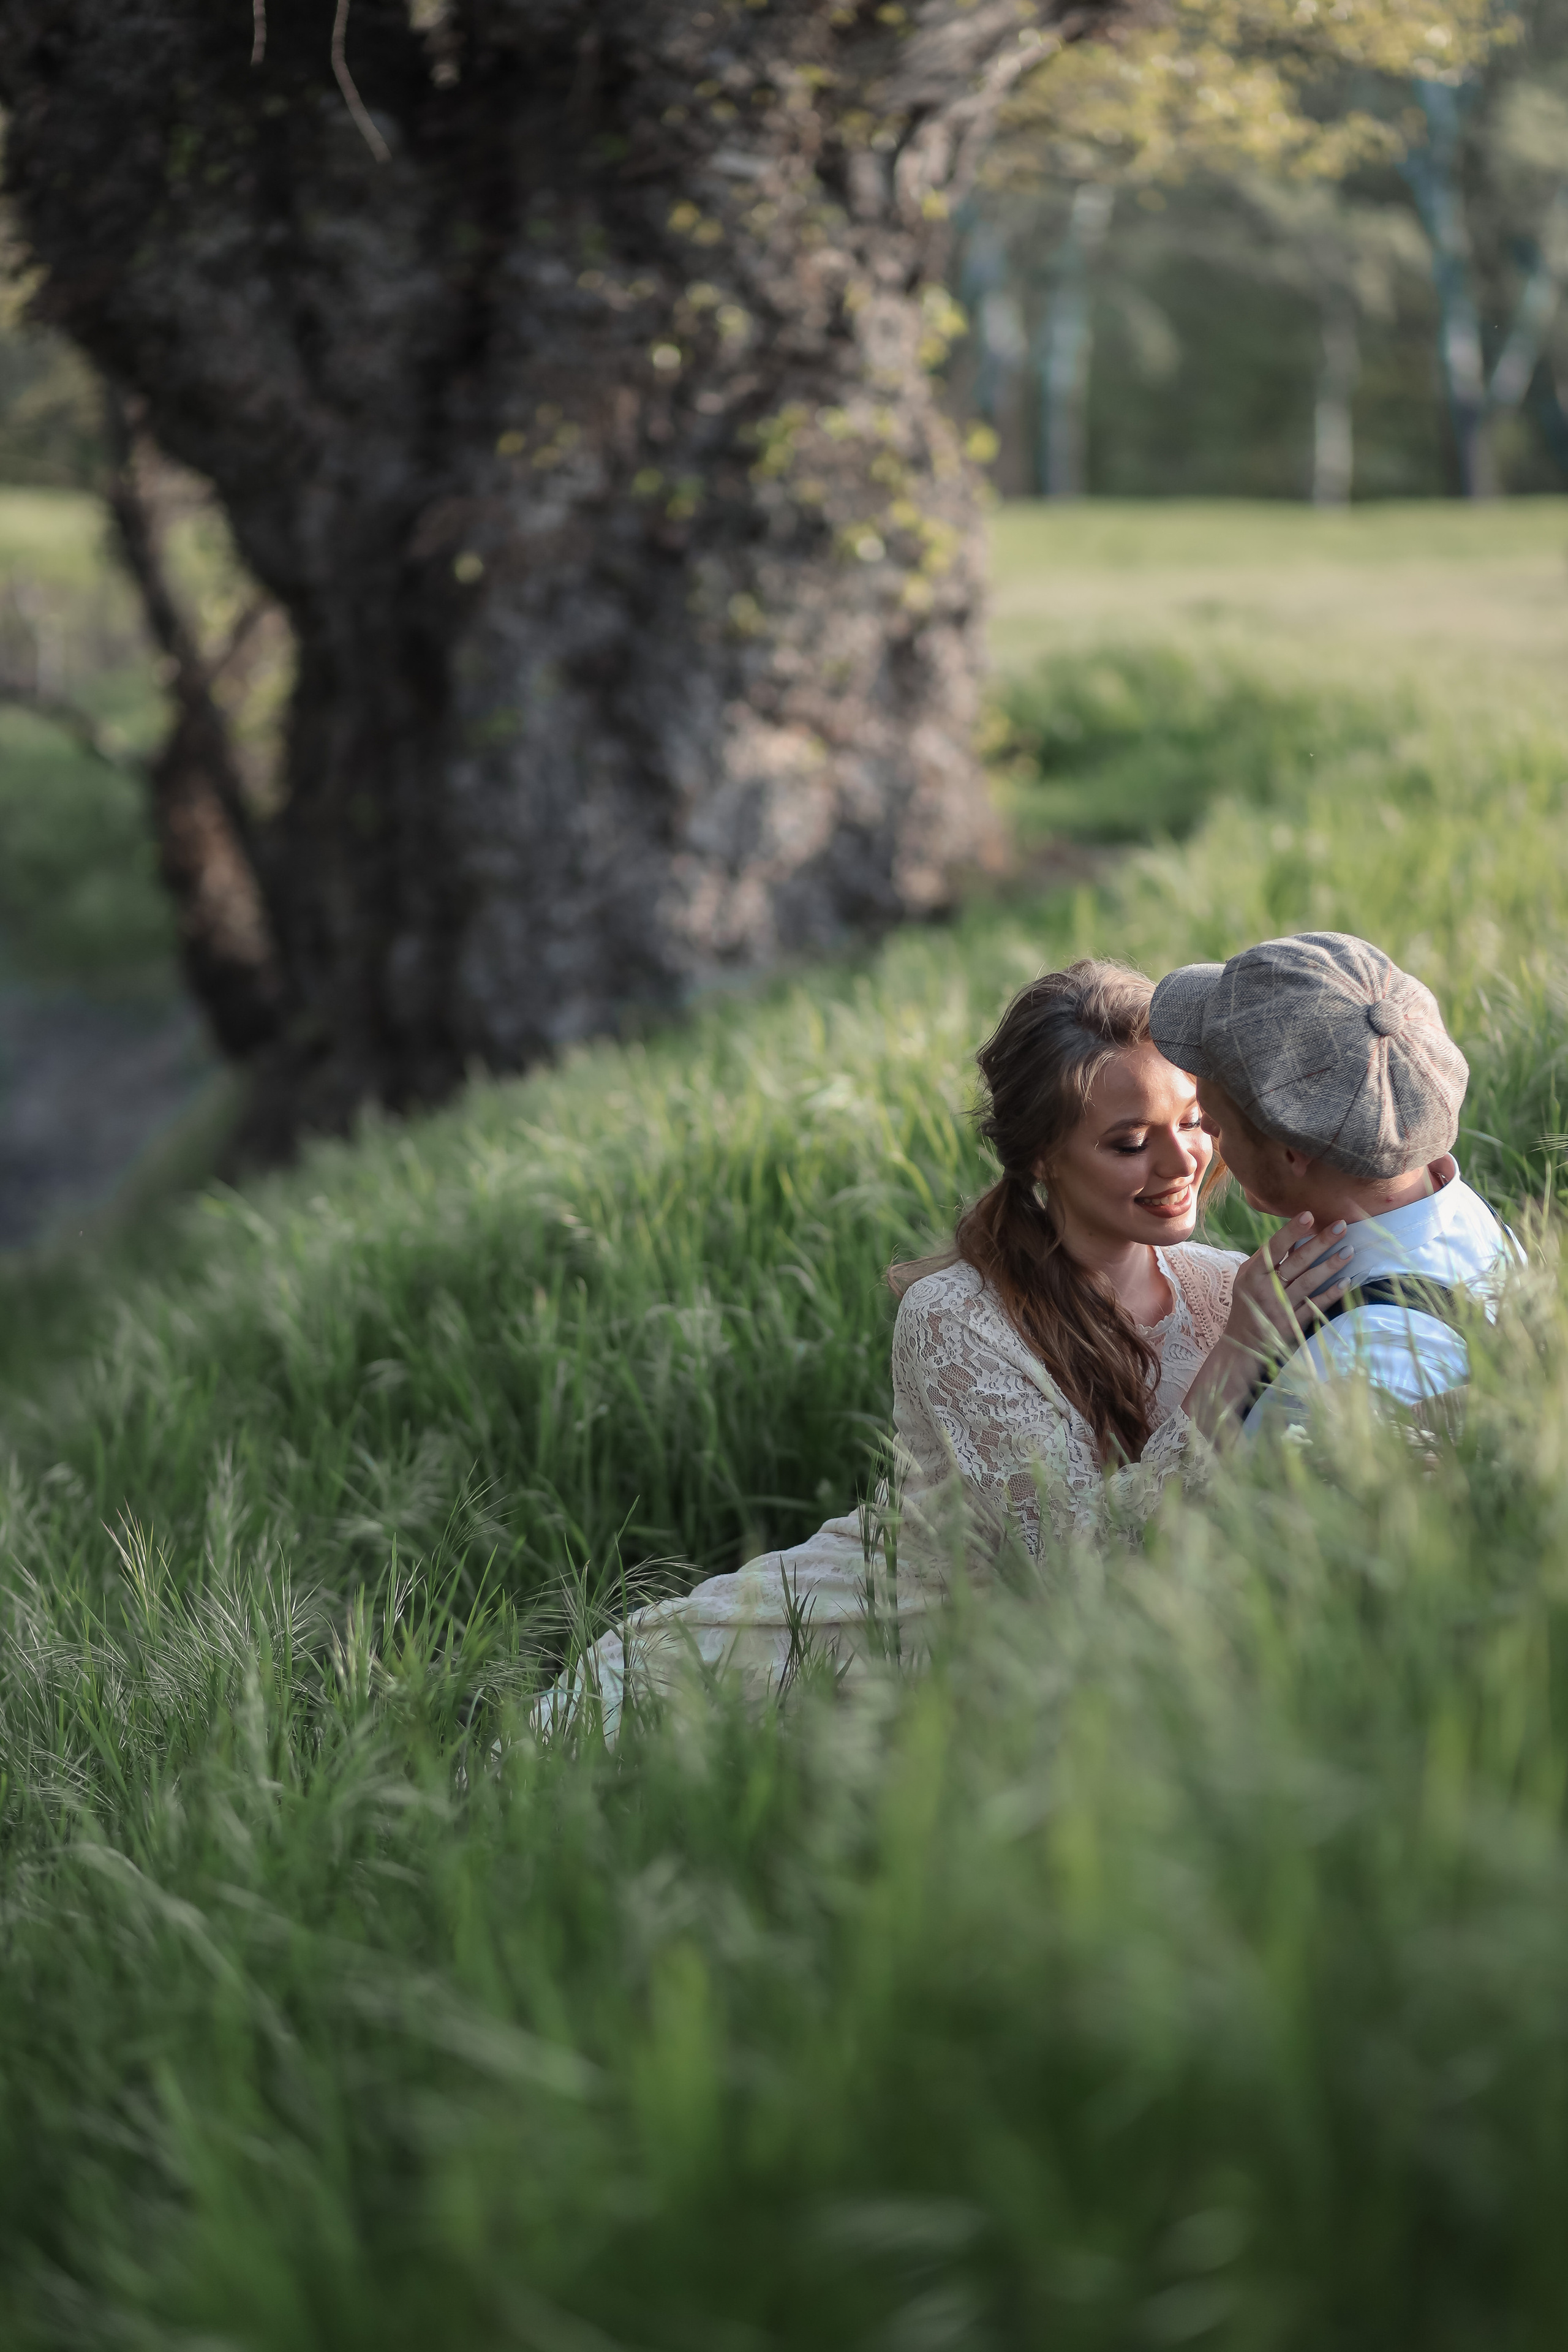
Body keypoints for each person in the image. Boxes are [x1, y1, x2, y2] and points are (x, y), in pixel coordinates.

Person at [541, 959, 1349, 1741]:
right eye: (1130, 1142)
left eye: (1195, 1122)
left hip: (1117, 1658)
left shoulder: (1225, 1284)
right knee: (584, 1748)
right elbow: (1063, 1570)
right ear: (1042, 1157)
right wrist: (1243, 1351)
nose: (1181, 1163)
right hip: (875, 1634)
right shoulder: (956, 1316)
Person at [1152, 929, 1520, 1442]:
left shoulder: (1357, 1368)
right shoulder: (1457, 1206)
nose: (1207, 1133)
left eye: (1215, 1120)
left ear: (1292, 1151)